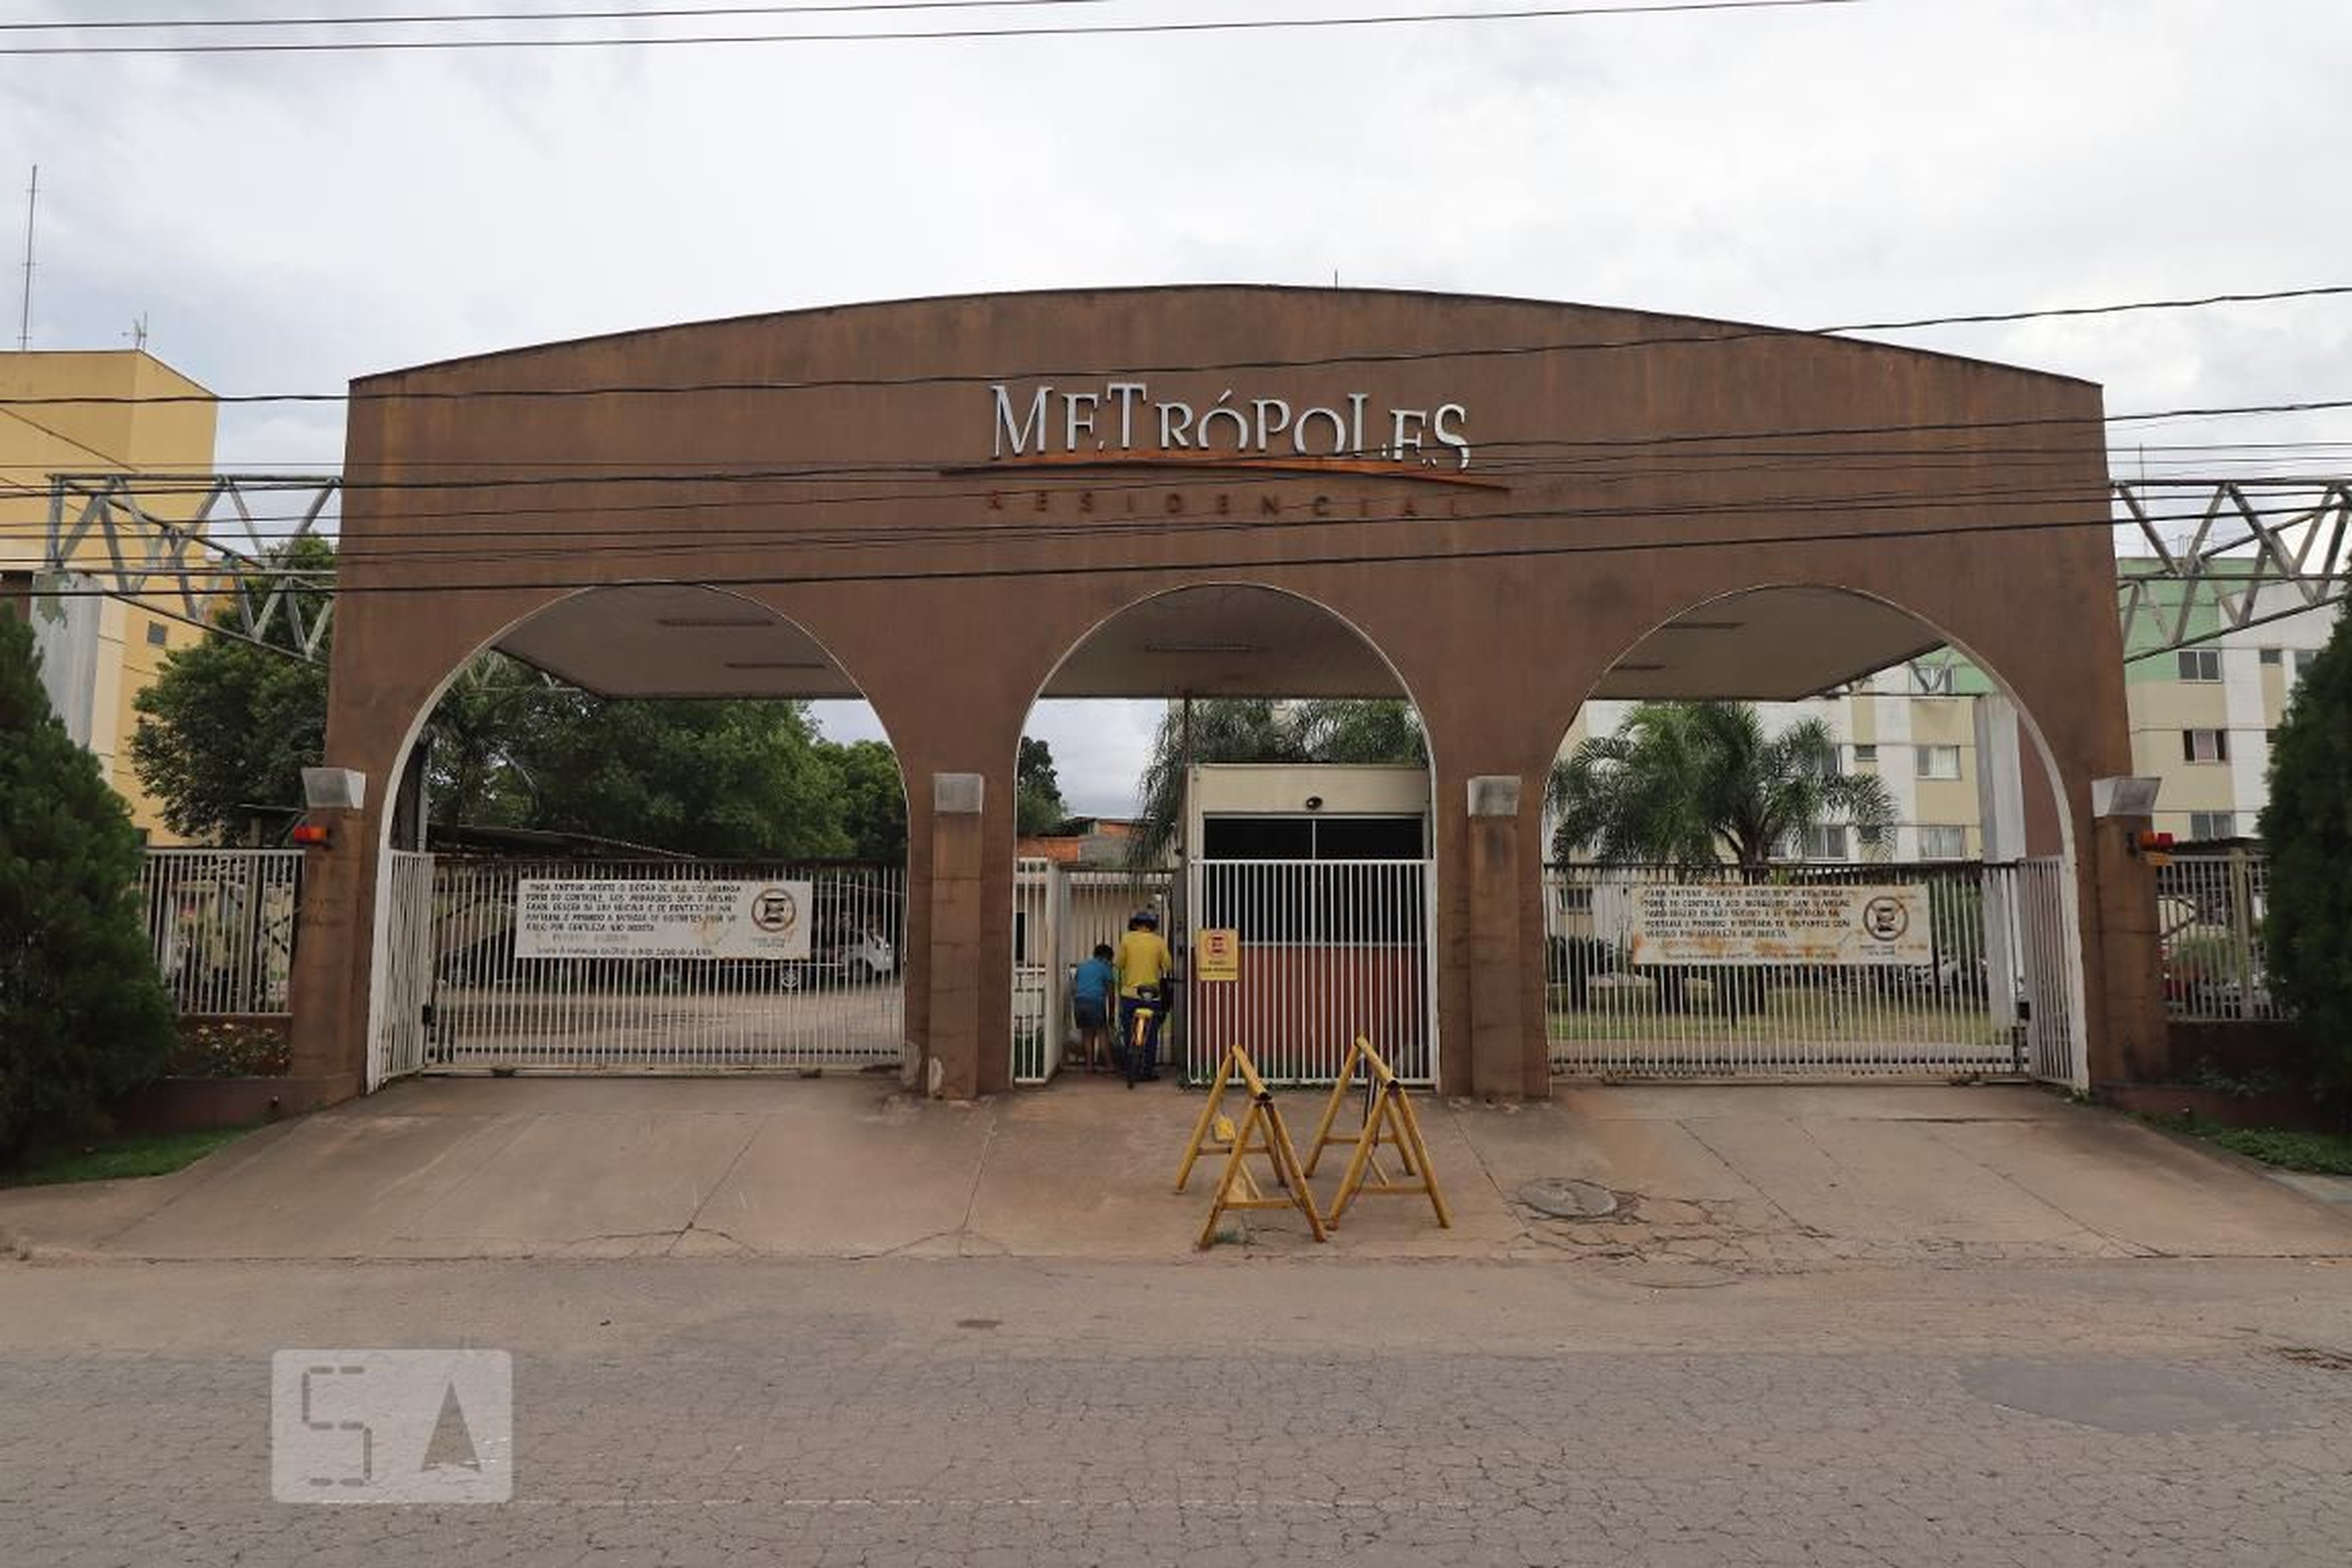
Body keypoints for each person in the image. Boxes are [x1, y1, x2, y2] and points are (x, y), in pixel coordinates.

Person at [1115, 908, 1174, 1087]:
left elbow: (1119, 963)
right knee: (1151, 1034)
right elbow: (1168, 966)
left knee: (1128, 1032)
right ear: (1152, 926)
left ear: (1134, 925)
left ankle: (1129, 1067)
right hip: (1151, 996)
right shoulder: (1159, 941)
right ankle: (1148, 1070)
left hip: (1129, 995)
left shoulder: (1126, 939)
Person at [1070, 943, 1117, 1073]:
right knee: (1102, 1033)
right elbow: (1111, 993)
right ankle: (1109, 1065)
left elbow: (1074, 987)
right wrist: (1112, 1015)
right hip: (1095, 1002)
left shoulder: (1082, 966)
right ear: (1107, 957)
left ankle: (1089, 1066)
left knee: (1087, 1034)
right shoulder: (1105, 967)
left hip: (1079, 1002)